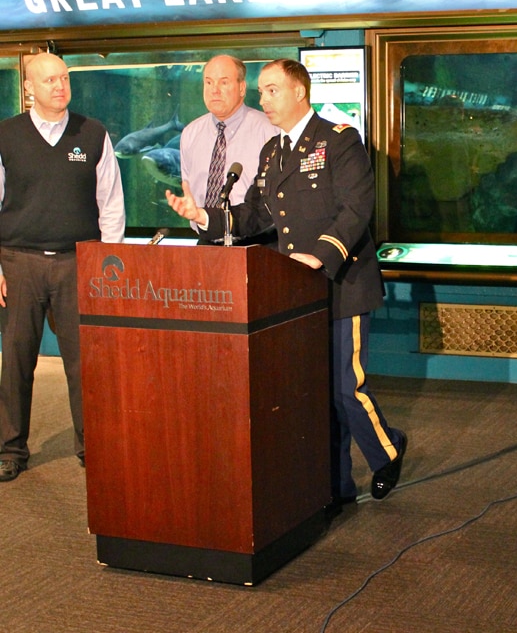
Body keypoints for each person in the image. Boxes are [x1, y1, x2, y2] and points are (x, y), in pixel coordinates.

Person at [166, 58, 407, 504]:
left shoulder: (340, 140)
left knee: (345, 388)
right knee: (316, 394)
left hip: (341, 284)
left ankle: (387, 452)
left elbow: (356, 208)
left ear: (299, 92)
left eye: (271, 90)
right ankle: (334, 488)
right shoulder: (272, 152)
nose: (263, 99)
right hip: (295, 291)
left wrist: (319, 256)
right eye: (260, 91)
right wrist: (204, 216)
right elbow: (255, 215)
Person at [0, 52, 126, 481]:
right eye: (49, 80)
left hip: (81, 263)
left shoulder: (92, 133)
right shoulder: (6, 135)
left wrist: (109, 264)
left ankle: (93, 443)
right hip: (19, 263)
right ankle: (10, 448)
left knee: (85, 362)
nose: (59, 86)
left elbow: (110, 204)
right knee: (16, 360)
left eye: (64, 78)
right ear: (29, 88)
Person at [179, 54, 277, 240]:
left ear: (242, 88)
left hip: (256, 243)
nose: (214, 90)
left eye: (223, 82)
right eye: (208, 82)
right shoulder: (190, 133)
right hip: (205, 241)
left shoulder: (269, 130)